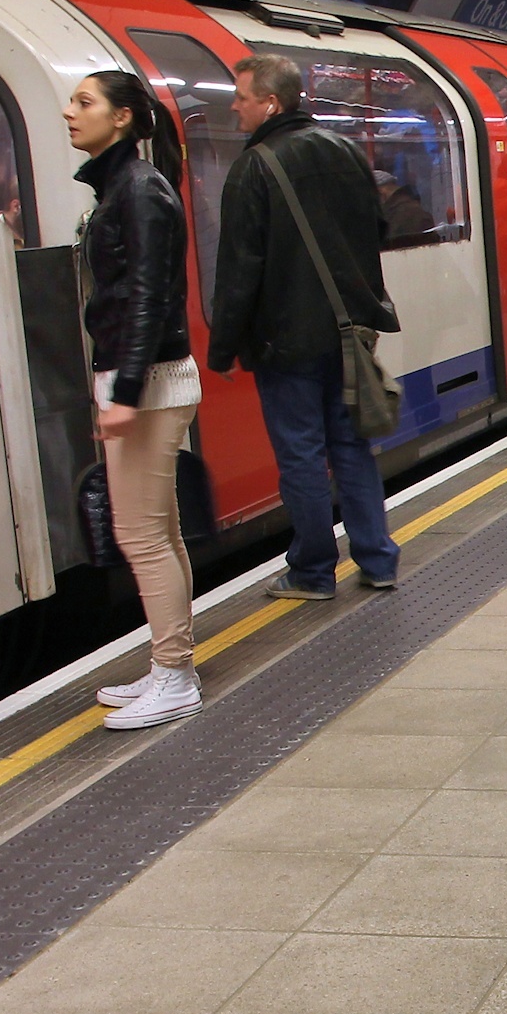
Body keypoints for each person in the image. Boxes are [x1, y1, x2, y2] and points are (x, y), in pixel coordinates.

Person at [206, 53, 403, 601]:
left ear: (270, 103)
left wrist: (222, 348)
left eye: (242, 97)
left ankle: (314, 572)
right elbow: (376, 230)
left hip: (285, 340)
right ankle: (379, 559)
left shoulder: (254, 166)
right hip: (348, 334)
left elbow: (240, 268)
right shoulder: (345, 151)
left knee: (301, 456)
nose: (235, 106)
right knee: (352, 448)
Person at [68, 69, 204, 731]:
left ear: (121, 118)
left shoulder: (138, 190)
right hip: (142, 380)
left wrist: (123, 392)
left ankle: (175, 674)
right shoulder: (124, 186)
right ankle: (168, 662)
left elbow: (152, 294)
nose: (70, 112)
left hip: (146, 384)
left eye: (84, 102)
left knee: (141, 534)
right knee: (160, 530)